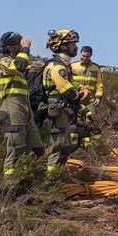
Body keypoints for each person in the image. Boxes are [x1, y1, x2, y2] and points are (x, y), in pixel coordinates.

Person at [0, 31, 44, 176]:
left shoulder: (18, 67)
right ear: (9, 47)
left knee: (37, 150)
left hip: (24, 109)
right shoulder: (3, 61)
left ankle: (33, 183)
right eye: (18, 45)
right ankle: (11, 188)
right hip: (12, 107)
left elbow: (23, 68)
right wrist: (26, 48)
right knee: (15, 151)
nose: (21, 47)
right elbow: (19, 66)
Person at [42, 29, 88, 177]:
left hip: (63, 110)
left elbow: (73, 85)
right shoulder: (57, 66)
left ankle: (58, 177)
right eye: (73, 44)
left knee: (66, 147)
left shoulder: (64, 66)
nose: (75, 47)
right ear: (63, 46)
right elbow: (67, 90)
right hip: (57, 109)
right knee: (59, 147)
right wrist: (79, 96)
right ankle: (51, 182)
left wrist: (83, 89)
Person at [70, 45, 104, 147]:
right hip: (76, 98)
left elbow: (99, 84)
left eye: (87, 56)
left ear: (91, 55)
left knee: (91, 122)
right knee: (74, 122)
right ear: (80, 54)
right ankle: (73, 148)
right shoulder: (72, 66)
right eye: (83, 56)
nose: (85, 58)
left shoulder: (96, 68)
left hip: (90, 100)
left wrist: (98, 97)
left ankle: (90, 147)